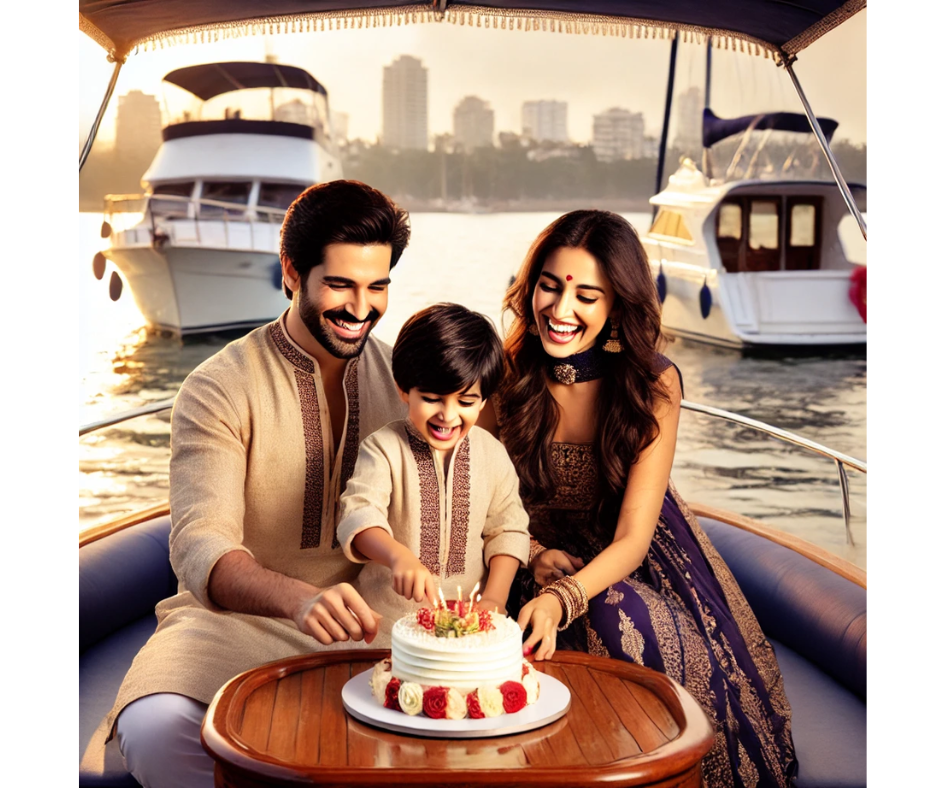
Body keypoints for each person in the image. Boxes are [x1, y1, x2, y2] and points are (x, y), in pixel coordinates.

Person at [106, 180, 412, 788]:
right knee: (153, 726)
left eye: (376, 286)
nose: (361, 307)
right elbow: (202, 547)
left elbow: (477, 482)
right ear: (291, 274)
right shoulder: (217, 386)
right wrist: (297, 600)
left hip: (373, 626)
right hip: (236, 625)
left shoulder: (409, 378)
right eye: (341, 284)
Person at [487, 210, 796, 787]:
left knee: (613, 619)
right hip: (524, 549)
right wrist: (530, 551)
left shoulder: (653, 382)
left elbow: (633, 538)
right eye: (549, 286)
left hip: (636, 556)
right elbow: (478, 498)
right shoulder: (503, 372)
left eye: (586, 294)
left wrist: (563, 597)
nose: (560, 310)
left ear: (615, 306)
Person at [336, 303, 535, 641]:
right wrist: (397, 556)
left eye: (466, 402)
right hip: (387, 629)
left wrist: (494, 599)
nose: (448, 415)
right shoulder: (382, 448)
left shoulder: (492, 455)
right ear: (403, 389)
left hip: (470, 629)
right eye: (431, 398)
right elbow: (359, 515)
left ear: (484, 400)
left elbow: (508, 530)